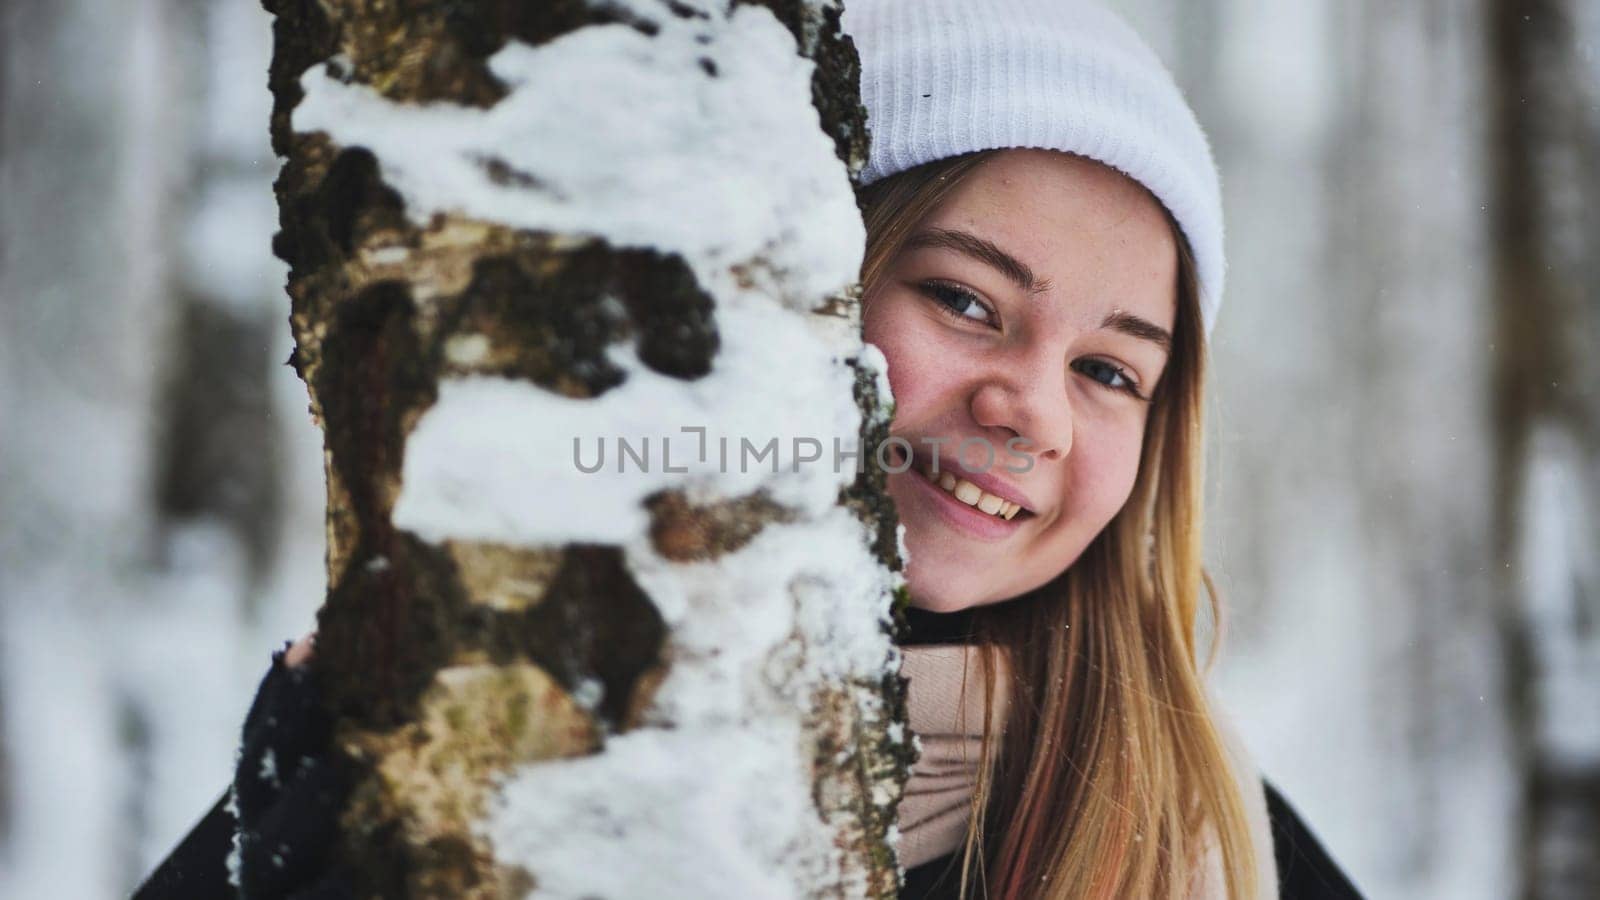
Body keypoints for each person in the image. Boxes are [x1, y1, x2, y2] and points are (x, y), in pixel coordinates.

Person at [137, 1, 1366, 897]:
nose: (1028, 409)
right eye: (965, 302)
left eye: (1108, 371)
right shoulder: (494, 701)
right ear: (805, 284)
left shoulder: (1202, 832)